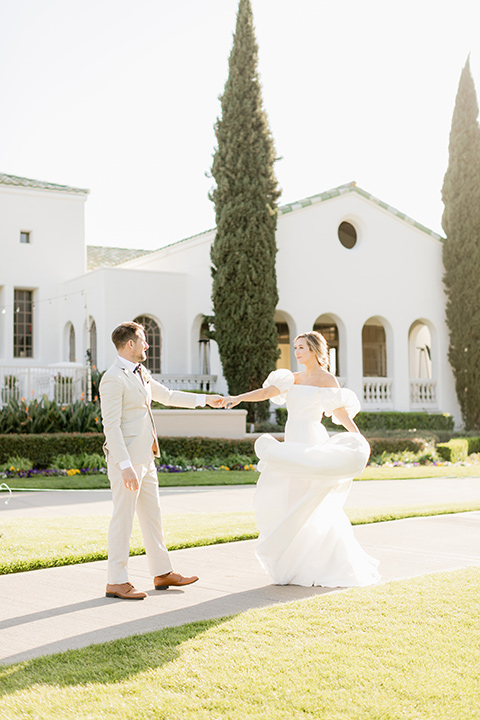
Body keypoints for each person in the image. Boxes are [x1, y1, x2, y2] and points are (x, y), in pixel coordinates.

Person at [221, 331, 380, 588]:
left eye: (302, 347)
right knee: (292, 500)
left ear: (315, 350)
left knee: (314, 499)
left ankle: (323, 561)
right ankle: (294, 563)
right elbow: (264, 393)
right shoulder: (289, 378)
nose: (296, 352)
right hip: (292, 439)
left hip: (311, 440)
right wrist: (238, 398)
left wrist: (357, 436)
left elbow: (338, 410)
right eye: (295, 347)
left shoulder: (327, 379)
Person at [100, 321, 223, 599]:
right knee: (123, 519)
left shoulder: (141, 372)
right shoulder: (113, 378)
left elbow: (167, 396)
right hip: (127, 463)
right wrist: (125, 466)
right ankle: (116, 581)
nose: (147, 345)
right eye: (143, 340)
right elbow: (111, 427)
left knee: (152, 517)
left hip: (147, 458)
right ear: (129, 344)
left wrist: (206, 399)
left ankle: (162, 572)